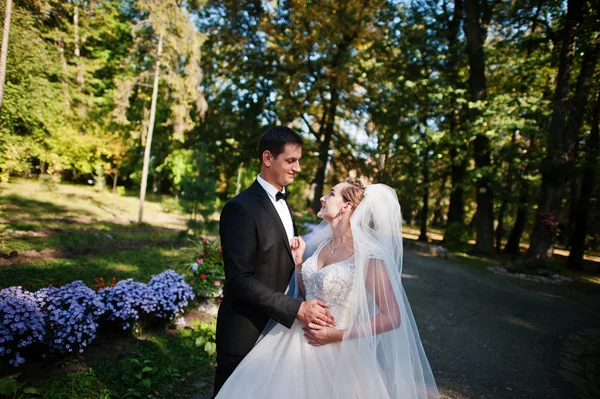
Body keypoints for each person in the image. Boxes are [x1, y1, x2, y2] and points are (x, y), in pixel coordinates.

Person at [215, 178, 439, 398]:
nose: (323, 197)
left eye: (332, 193)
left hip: (337, 351)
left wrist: (336, 335)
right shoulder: (323, 245)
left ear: (346, 206)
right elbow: (307, 293)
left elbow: (392, 316)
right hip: (293, 336)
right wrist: (299, 262)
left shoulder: (368, 257)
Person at [213, 126, 335, 396]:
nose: (298, 168)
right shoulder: (240, 208)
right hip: (246, 331)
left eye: (298, 161)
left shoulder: (282, 201)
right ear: (268, 158)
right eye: (291, 160)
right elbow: (239, 281)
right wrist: (297, 309)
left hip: (279, 334)